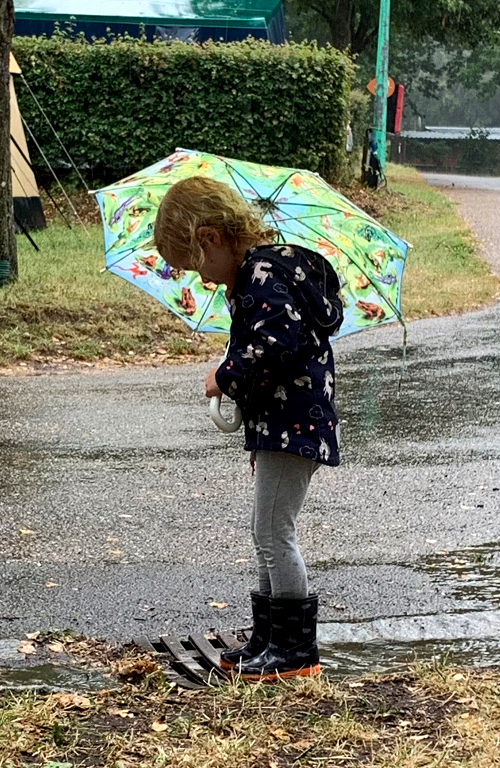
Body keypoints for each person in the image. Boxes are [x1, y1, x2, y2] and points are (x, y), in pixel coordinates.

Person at [153, 176, 343, 682]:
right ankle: (269, 639)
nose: (202, 279)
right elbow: (274, 353)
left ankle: (296, 653)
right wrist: (255, 427)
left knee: (274, 532)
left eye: (196, 265)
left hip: (295, 422)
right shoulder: (259, 276)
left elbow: (278, 343)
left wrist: (225, 376)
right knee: (265, 533)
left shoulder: (262, 275)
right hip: (281, 423)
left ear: (211, 238)